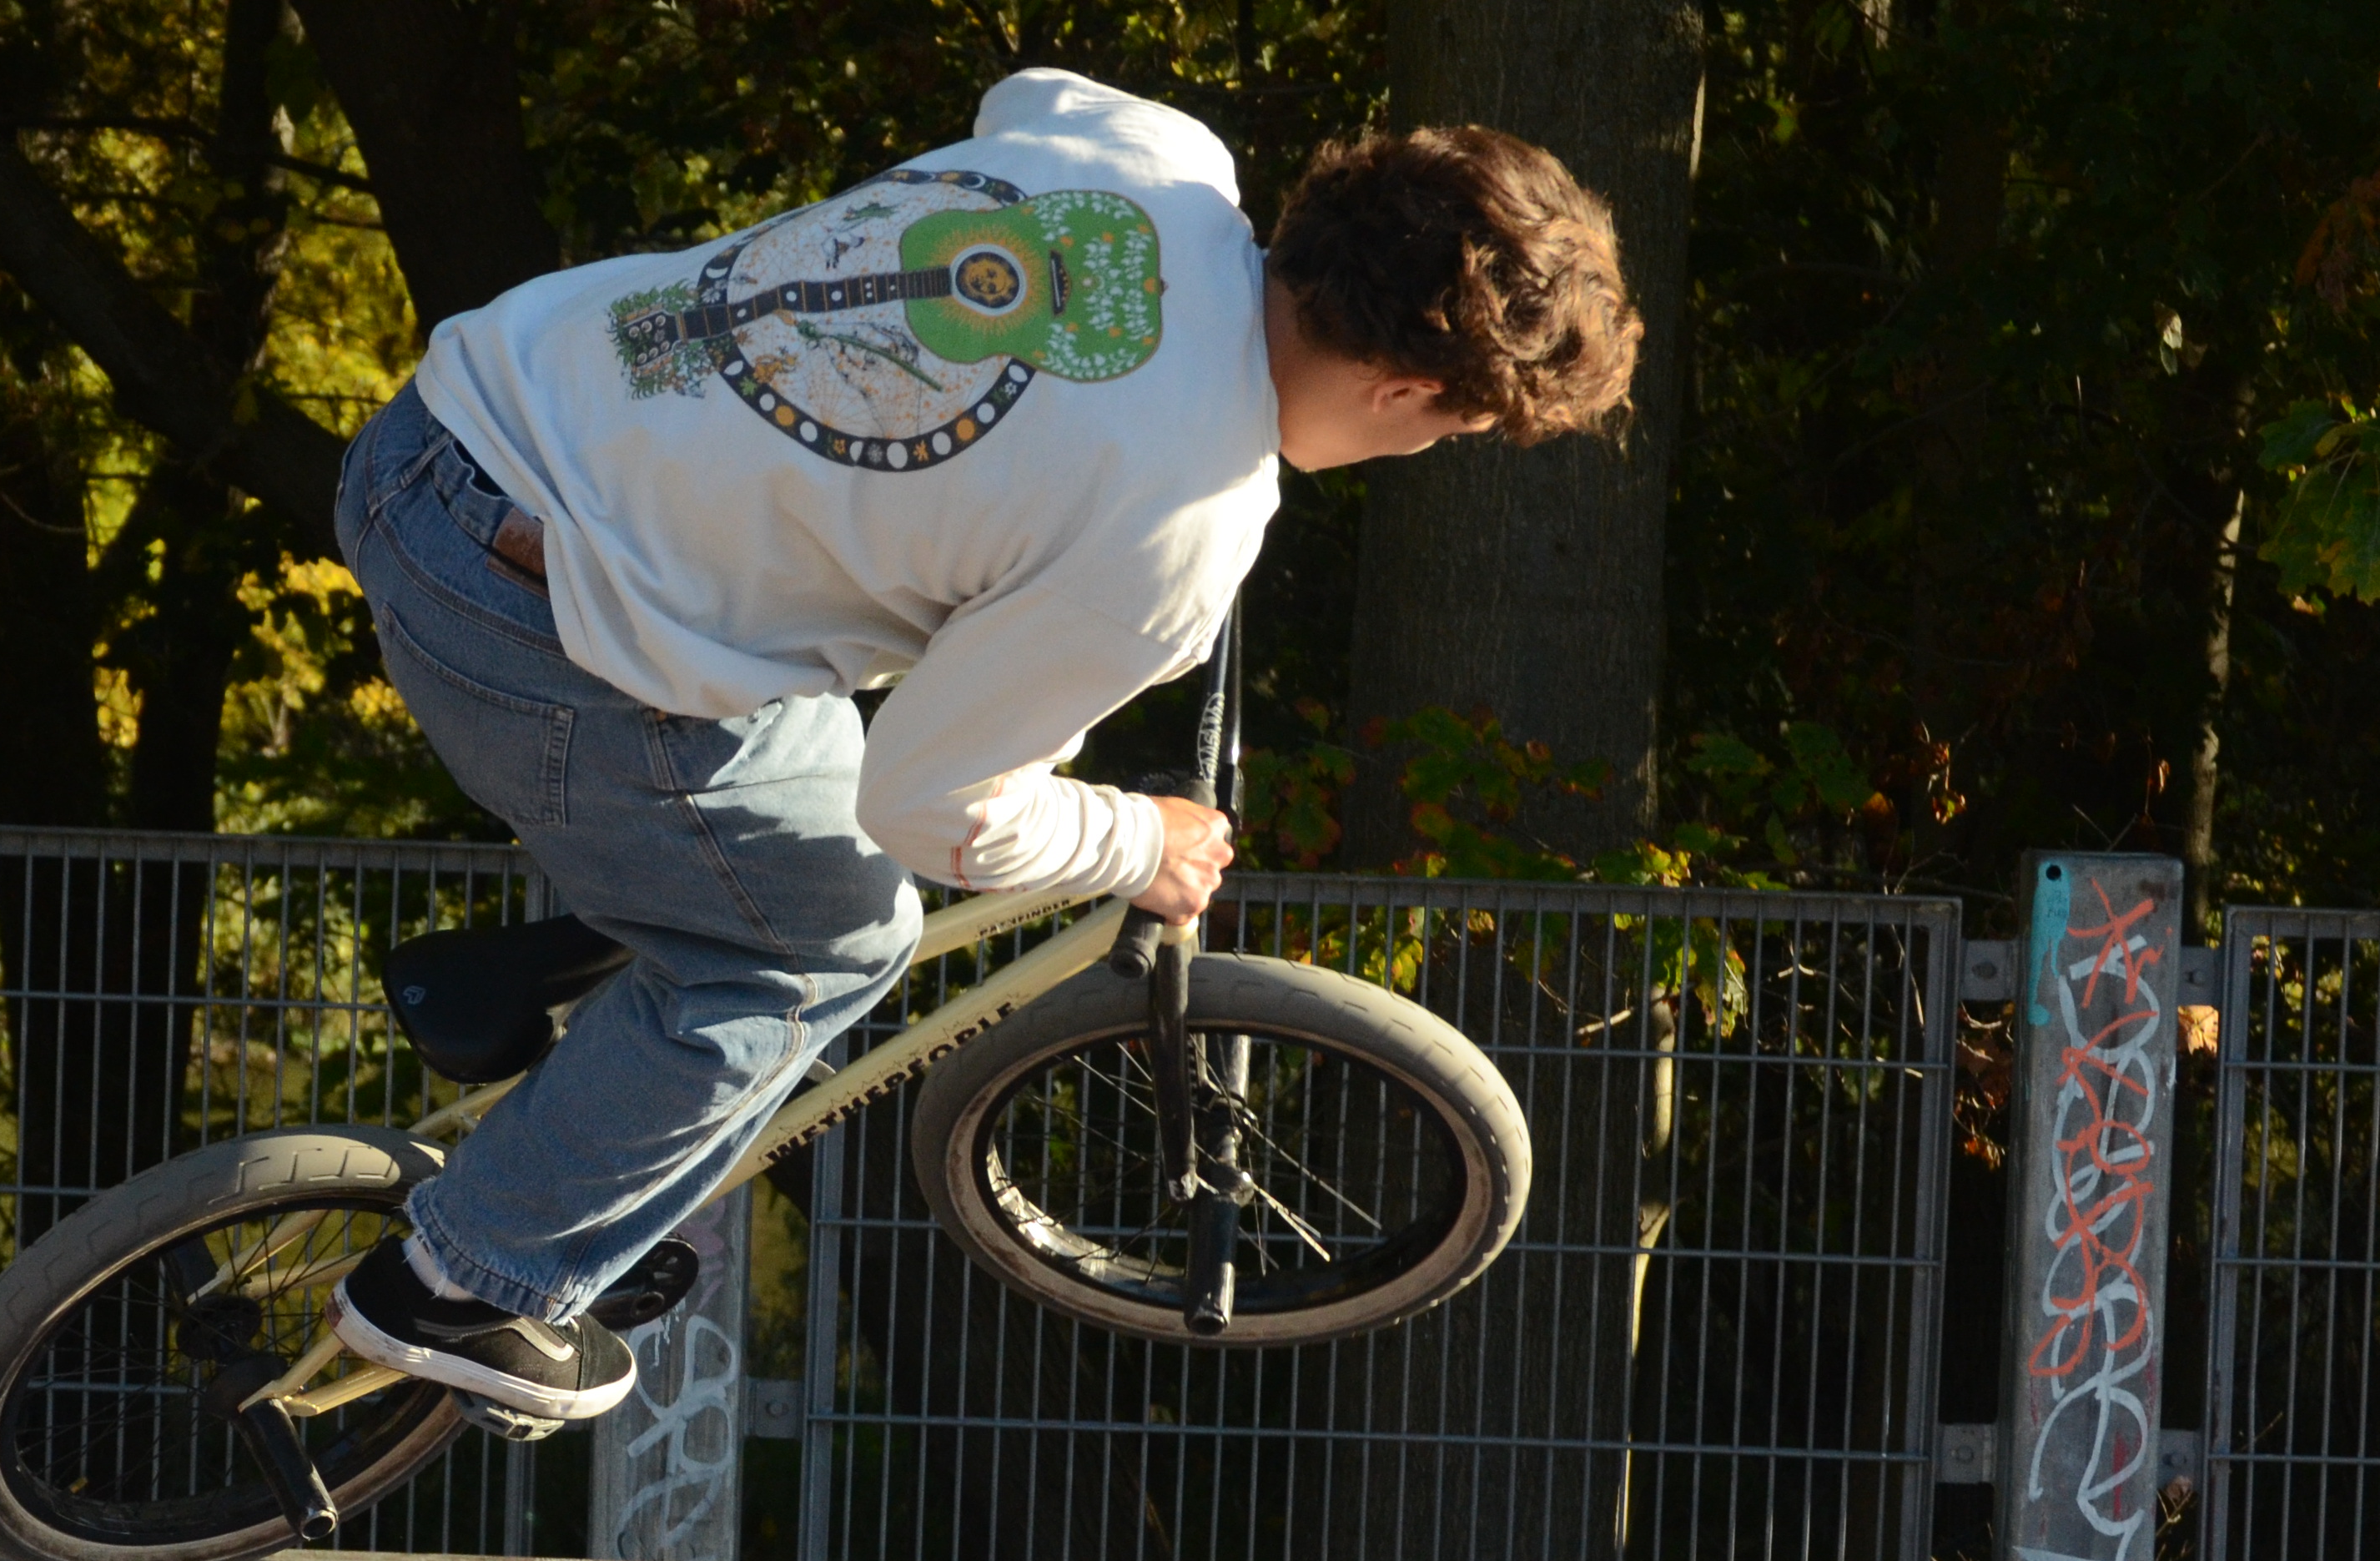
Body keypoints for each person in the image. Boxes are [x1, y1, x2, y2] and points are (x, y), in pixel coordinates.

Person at [329, 68, 1640, 1422]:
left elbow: (1027, 94)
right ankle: (465, 1280)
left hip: (454, 419)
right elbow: (930, 805)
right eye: (1454, 433)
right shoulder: (1173, 539)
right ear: (1410, 389)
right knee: (826, 938)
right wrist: (1137, 839)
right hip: (523, 624)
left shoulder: (1161, 155)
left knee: (791, 758)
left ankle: (576, 988)